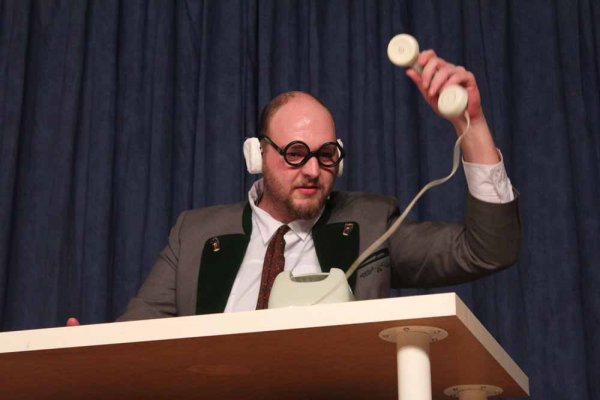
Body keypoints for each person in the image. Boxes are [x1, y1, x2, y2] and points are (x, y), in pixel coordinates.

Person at [69, 50, 520, 324]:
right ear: (257, 155)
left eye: (326, 155)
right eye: (295, 152)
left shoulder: (369, 225)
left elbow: (488, 249)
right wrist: (87, 352)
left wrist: (472, 124)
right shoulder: (195, 235)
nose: (312, 170)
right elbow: (136, 335)